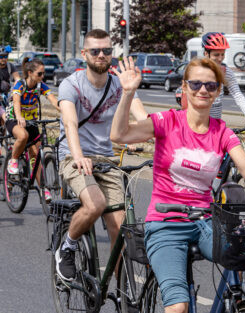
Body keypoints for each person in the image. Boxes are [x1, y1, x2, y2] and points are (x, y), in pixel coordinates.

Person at [110, 56, 245, 313]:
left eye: (210, 85)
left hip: (205, 221)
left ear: (218, 92)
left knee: (243, 254)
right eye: (195, 84)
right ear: (184, 88)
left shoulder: (222, 131)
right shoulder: (167, 121)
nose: (203, 90)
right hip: (166, 224)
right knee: (178, 307)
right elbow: (119, 135)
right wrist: (128, 94)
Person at [55, 29, 148, 282]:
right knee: (95, 204)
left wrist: (165, 138)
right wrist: (78, 156)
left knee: (120, 232)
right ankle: (68, 246)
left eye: (107, 51)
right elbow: (70, 124)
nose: (101, 55)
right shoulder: (71, 84)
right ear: (84, 54)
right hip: (74, 158)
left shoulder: (120, 84)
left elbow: (143, 119)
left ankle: (122, 296)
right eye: (95, 51)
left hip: (106, 160)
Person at [182, 32, 245, 127]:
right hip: (194, 121)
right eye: (216, 55)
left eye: (222, 54)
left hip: (215, 122)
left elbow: (237, 94)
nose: (220, 58)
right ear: (206, 54)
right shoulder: (197, 71)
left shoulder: (225, 72)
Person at [5, 58, 59, 201]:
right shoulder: (20, 85)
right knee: (22, 136)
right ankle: (13, 160)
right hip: (14, 119)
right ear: (30, 73)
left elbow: (54, 101)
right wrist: (19, 117)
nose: (43, 77)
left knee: (36, 155)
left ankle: (44, 189)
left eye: (43, 74)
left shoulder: (41, 86)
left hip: (32, 122)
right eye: (40, 74)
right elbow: (16, 102)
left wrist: (66, 112)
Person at [0, 45, 20, 122]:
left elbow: (17, 78)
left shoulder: (10, 66)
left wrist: (17, 85)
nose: (4, 59)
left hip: (6, 94)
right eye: (1, 57)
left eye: (5, 56)